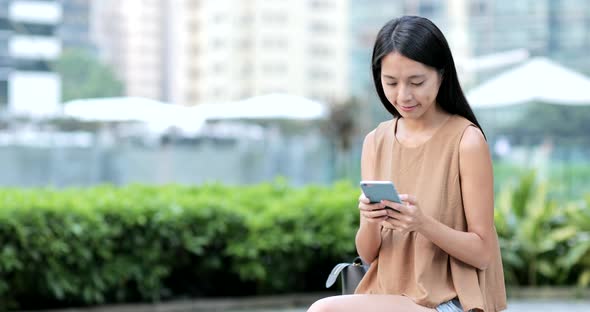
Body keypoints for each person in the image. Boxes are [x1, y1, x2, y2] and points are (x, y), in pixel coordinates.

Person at [308, 16, 507, 312]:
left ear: (442, 75)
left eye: (417, 82)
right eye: (390, 82)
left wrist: (422, 223)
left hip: (448, 300)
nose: (403, 95)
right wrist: (371, 219)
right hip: (386, 294)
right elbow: (368, 255)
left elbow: (483, 253)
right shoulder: (375, 141)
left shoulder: (466, 141)